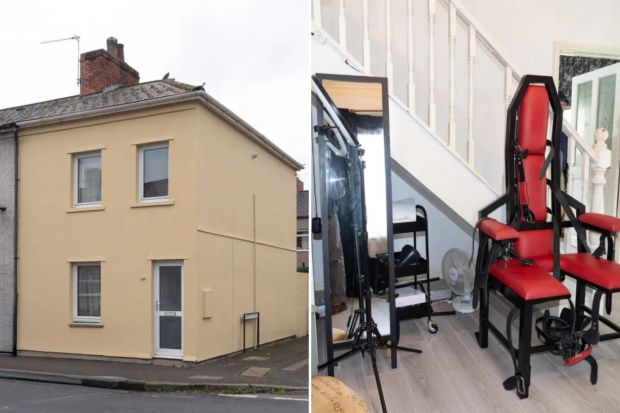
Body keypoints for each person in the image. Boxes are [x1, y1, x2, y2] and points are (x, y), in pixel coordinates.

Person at [559, 91, 570, 187]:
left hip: (565, 162)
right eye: (560, 104)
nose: (562, 107)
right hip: (557, 160)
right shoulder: (552, 121)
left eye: (564, 104)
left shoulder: (565, 123)